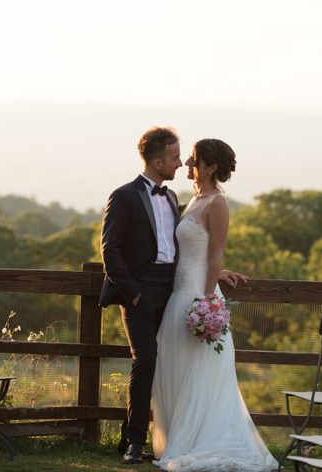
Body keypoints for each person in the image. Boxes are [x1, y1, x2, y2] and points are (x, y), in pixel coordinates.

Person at [99, 127, 247, 465]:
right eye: (176, 157)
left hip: (174, 294)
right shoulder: (124, 195)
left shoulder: (171, 197)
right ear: (156, 160)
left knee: (171, 364)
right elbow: (110, 250)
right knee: (148, 360)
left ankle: (151, 438)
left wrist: (214, 277)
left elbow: (194, 249)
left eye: (188, 158)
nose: (183, 163)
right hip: (139, 295)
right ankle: (135, 442)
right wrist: (134, 294)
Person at [151, 138, 278, 471]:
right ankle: (179, 437)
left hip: (198, 299)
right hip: (178, 297)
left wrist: (207, 304)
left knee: (200, 375)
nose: (189, 164)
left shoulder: (218, 203)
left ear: (209, 166)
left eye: (194, 159)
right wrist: (216, 272)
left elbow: (216, 252)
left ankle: (199, 442)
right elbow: (197, 252)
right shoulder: (194, 199)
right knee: (175, 369)